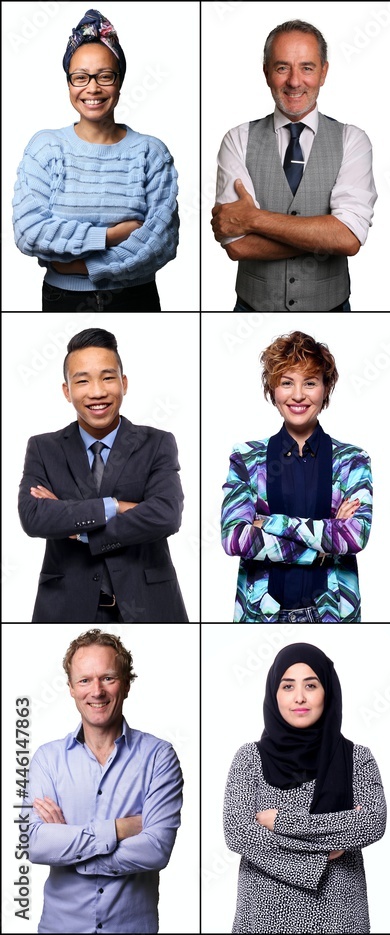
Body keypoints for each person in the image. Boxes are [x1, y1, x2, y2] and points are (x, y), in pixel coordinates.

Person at [12, 8, 179, 311]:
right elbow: (29, 233)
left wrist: (79, 266)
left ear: (119, 81)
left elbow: (161, 244)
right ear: (69, 83)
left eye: (104, 76)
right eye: (80, 77)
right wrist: (111, 235)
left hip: (136, 299)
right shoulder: (45, 148)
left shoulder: (151, 153)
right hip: (62, 299)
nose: (92, 88)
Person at [17, 327, 187, 622]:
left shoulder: (157, 442)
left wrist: (80, 530)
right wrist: (116, 506)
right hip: (65, 607)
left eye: (108, 378)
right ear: (67, 391)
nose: (97, 392)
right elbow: (34, 517)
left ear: (124, 383)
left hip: (149, 606)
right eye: (82, 381)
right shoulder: (43, 448)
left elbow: (166, 516)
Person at [211, 19, 377, 311]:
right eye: (282, 67)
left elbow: (349, 239)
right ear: (266, 72)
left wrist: (254, 220)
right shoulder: (237, 140)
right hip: (251, 309)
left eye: (307, 68)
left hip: (332, 309)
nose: (295, 81)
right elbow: (237, 244)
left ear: (324, 72)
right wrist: (325, 239)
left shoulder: (353, 140)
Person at [27, 629, 183, 934]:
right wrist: (119, 829)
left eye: (108, 678)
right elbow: (35, 845)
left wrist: (71, 849)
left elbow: (156, 848)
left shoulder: (158, 757)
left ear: (126, 684)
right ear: (71, 688)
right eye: (85, 680)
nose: (96, 691)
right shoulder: (47, 759)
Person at [224, 642, 386, 933]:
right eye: (287, 687)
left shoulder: (357, 758)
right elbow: (238, 834)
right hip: (263, 920)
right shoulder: (249, 757)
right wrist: (325, 851)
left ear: (328, 692)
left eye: (311, 686)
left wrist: (280, 822)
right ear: (274, 694)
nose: (299, 697)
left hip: (339, 918)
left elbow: (372, 824)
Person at [221, 331, 371, 622]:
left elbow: (354, 536)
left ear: (325, 389)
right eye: (286, 383)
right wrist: (321, 547)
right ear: (273, 389)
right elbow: (235, 538)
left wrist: (269, 522)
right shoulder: (246, 458)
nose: (298, 395)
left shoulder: (352, 459)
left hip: (332, 612)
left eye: (310, 383)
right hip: (260, 614)